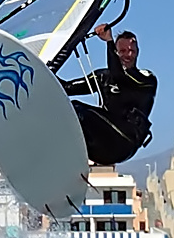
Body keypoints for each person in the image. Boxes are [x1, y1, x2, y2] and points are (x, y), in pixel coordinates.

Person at [59, 23, 157, 166]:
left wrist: (109, 42)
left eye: (132, 51)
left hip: (124, 141)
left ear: (138, 52)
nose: (128, 55)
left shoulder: (146, 80)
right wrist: (42, 69)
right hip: (101, 145)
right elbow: (66, 88)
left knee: (77, 109)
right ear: (116, 53)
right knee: (64, 109)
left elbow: (120, 77)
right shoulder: (103, 77)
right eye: (122, 51)